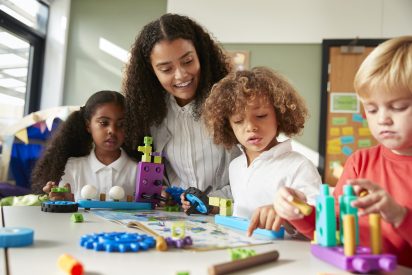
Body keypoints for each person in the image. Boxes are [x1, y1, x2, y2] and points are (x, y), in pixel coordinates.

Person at [273, 36, 412, 267]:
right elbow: (332, 230)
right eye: (372, 109)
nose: (383, 119)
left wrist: (400, 216)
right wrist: (299, 212)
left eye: (398, 107)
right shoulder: (360, 162)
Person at [122, 13, 239, 205]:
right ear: (152, 72)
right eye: (166, 69)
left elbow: (251, 173)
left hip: (225, 214)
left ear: (200, 55)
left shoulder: (231, 103)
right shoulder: (148, 114)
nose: (181, 75)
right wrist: (162, 192)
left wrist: (207, 202)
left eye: (187, 61)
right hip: (173, 218)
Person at [202, 67, 321, 231]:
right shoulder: (236, 166)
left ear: (279, 116)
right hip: (241, 249)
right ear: (228, 126)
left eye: (261, 116)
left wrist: (286, 216)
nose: (251, 127)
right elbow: (242, 210)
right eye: (238, 120)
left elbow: (320, 222)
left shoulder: (299, 166)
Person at [31, 90, 137, 201]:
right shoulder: (73, 167)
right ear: (88, 125)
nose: (112, 130)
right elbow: (64, 210)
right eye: (104, 123)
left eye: (121, 124)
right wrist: (63, 201)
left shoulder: (138, 171)